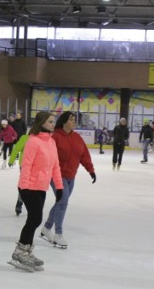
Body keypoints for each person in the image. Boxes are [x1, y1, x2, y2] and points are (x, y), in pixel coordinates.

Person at [8, 112, 63, 272]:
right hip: (29, 186)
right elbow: (27, 165)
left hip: (41, 187)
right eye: (51, 122)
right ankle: (20, 252)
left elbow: (55, 167)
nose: (53, 124)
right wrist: (24, 187)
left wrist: (59, 187)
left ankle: (25, 251)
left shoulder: (51, 142)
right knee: (35, 219)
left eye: (54, 121)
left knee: (35, 220)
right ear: (42, 123)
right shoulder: (33, 141)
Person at [40, 111, 96, 249]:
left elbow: (84, 155)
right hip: (57, 175)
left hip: (71, 176)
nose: (74, 122)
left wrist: (91, 170)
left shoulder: (77, 137)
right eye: (71, 119)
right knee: (63, 202)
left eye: (74, 119)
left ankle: (46, 228)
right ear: (64, 121)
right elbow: (47, 156)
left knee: (60, 202)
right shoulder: (55, 137)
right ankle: (58, 234)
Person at [9, 132, 29, 216]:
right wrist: (11, 160)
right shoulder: (25, 137)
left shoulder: (42, 138)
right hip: (24, 165)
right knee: (24, 185)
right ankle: (20, 201)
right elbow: (16, 149)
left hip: (37, 167)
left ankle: (30, 205)